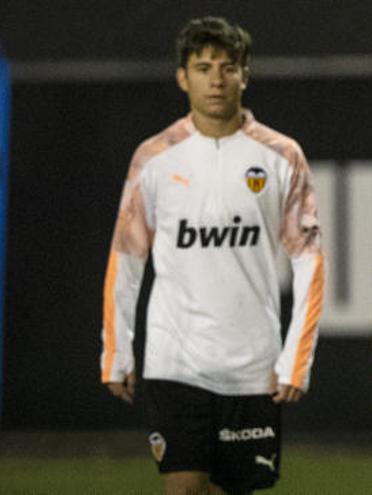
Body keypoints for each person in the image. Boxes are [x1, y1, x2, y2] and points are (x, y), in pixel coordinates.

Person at [100, 16, 324, 494]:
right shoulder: (154, 158)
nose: (216, 79)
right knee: (182, 489)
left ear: (246, 73)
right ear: (183, 76)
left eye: (227, 67)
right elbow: (127, 259)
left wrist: (295, 358)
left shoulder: (282, 156)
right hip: (174, 360)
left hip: (252, 367)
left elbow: (310, 260)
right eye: (203, 67)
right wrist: (117, 349)